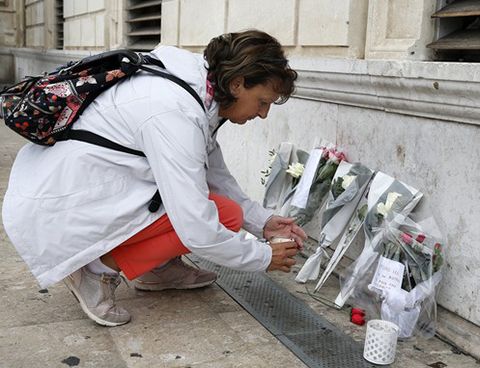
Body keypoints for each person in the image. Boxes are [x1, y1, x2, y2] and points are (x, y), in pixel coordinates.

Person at [2, 30, 307, 327]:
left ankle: (157, 269)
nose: (263, 114)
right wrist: (261, 257)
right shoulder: (173, 110)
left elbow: (215, 175)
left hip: (84, 187)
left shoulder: (197, 95)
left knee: (227, 210)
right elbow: (195, 227)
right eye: (263, 101)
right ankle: (93, 272)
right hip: (63, 204)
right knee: (214, 215)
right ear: (238, 84)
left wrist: (263, 222)